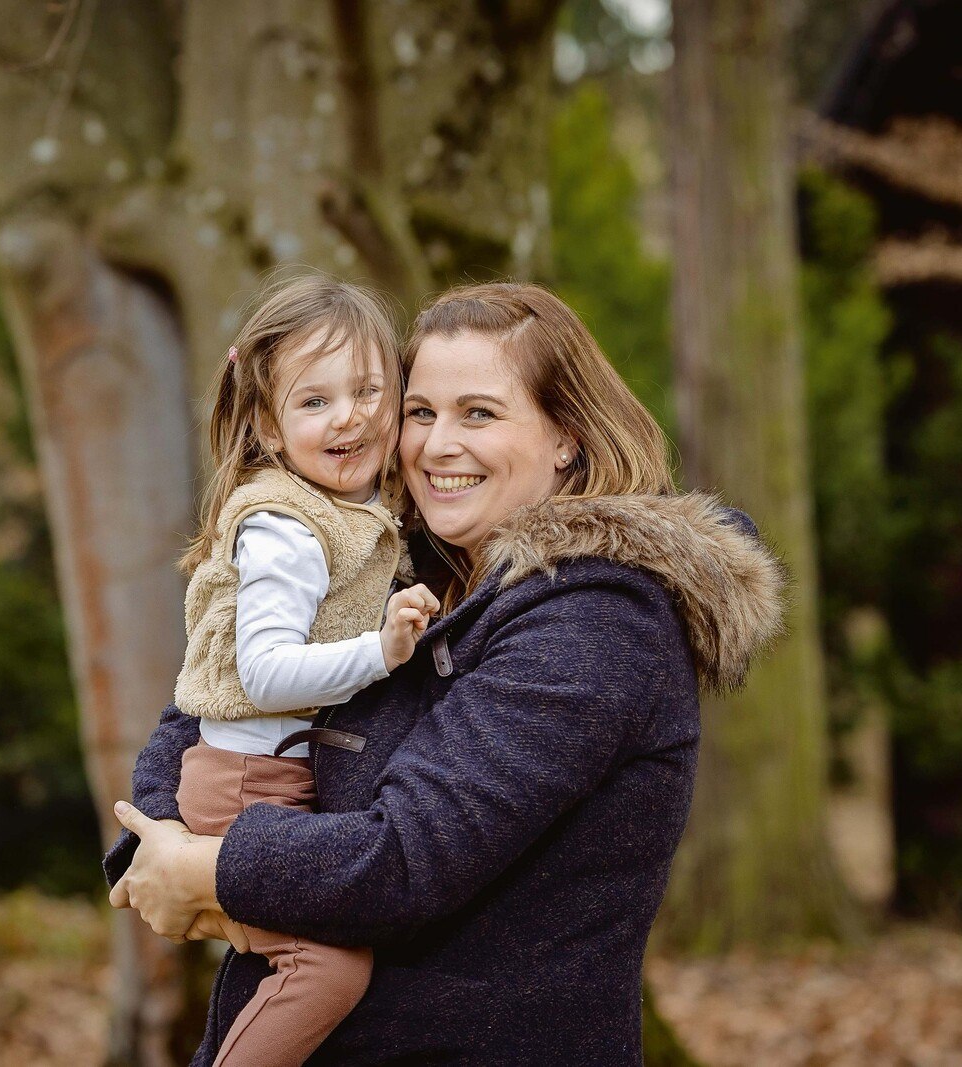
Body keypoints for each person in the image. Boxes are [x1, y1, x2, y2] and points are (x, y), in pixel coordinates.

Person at [107, 282, 786, 1065]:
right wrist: (154, 842)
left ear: (566, 434)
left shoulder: (596, 620)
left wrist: (210, 868)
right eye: (421, 412)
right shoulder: (397, 569)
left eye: (480, 413)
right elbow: (211, 693)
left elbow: (401, 860)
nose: (436, 445)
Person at [131, 274, 440, 1067]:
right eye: (314, 401)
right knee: (327, 965)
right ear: (268, 425)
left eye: (370, 390)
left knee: (301, 954)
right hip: (247, 779)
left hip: (270, 773)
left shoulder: (354, 512)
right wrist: (384, 652)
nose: (350, 416)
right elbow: (263, 673)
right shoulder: (285, 528)